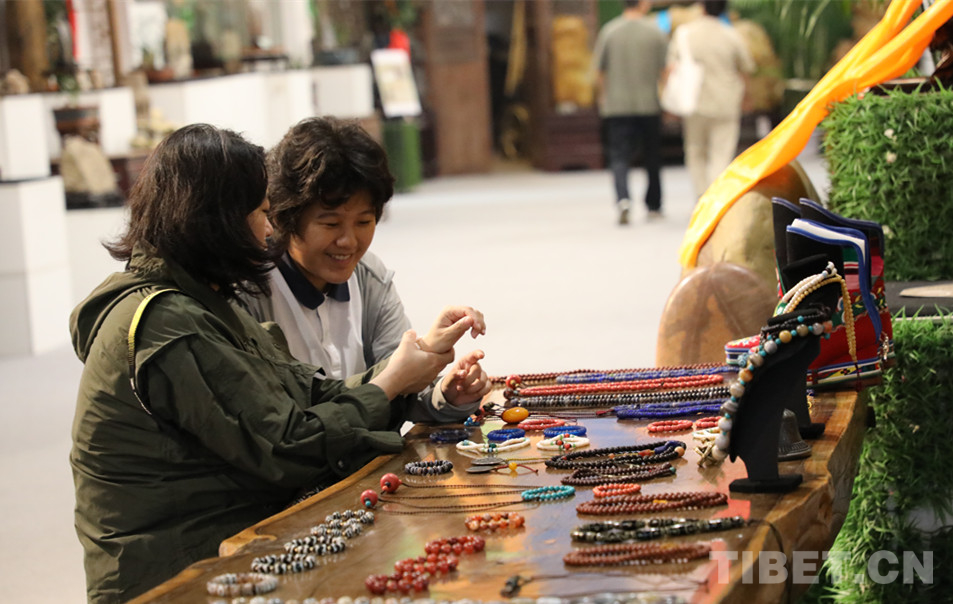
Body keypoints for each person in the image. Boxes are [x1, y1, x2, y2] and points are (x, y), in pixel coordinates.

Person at [68, 124, 490, 603]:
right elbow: (285, 447)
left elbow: (306, 392)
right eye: (262, 214)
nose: (269, 231)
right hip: (178, 571)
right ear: (218, 220)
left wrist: (411, 367)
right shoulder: (172, 322)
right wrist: (391, 381)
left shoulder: (200, 302)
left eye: (364, 221)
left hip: (223, 534)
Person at [241, 116, 487, 421]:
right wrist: (407, 366)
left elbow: (402, 387)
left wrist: (446, 394)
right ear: (283, 217)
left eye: (364, 221)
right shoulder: (253, 289)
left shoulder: (369, 277)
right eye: (330, 223)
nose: (348, 241)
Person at [591, 0, 669, 226]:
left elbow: (598, 70)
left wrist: (603, 97)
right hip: (648, 104)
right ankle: (654, 205)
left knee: (619, 155)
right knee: (652, 156)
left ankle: (623, 199)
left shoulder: (609, 31)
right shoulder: (655, 32)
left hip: (617, 105)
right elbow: (665, 70)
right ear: (642, 4)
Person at [669, 0, 755, 199]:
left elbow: (671, 67)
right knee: (721, 152)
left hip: (693, 102)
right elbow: (746, 68)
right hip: (726, 101)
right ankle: (715, 197)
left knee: (695, 150)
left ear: (702, 7)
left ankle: (701, 195)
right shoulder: (731, 35)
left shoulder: (685, 33)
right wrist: (747, 96)